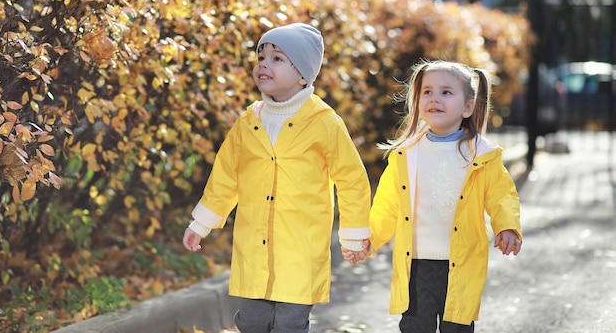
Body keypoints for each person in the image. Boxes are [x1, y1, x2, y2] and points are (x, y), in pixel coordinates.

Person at [182, 23, 371, 333]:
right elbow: (226, 176)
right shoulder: (247, 121)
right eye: (261, 57)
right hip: (253, 245)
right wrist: (201, 223)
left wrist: (352, 233)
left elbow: (351, 178)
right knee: (252, 322)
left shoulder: (324, 122)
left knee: (289, 325)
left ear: (303, 75)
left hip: (300, 247)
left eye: (277, 58)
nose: (264, 64)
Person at [343, 59, 522, 332]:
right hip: (415, 262)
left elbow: (502, 194)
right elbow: (387, 205)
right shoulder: (406, 154)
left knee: (457, 326)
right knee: (414, 326)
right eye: (427, 91)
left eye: (446, 92)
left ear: (468, 107)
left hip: (461, 261)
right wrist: (371, 239)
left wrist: (507, 225)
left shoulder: (482, 155)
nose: (434, 98)